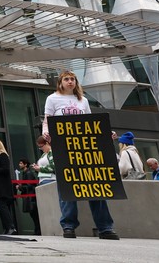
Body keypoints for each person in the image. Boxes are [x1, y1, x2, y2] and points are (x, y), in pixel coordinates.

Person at [42, 70, 120, 240]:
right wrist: (46, 134)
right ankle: (68, 226)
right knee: (67, 185)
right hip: (64, 149)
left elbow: (90, 124)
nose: (70, 81)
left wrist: (105, 133)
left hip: (85, 149)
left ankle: (105, 227)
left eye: (73, 79)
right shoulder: (52, 98)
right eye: (66, 79)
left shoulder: (83, 100)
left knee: (95, 184)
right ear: (61, 82)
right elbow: (47, 120)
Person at [18, 157, 40, 235]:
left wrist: (20, 187)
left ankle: (38, 231)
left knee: (34, 215)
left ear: (25, 164)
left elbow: (29, 185)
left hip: (31, 197)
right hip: (29, 196)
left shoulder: (28, 173)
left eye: (21, 163)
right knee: (33, 215)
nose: (19, 164)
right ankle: (37, 230)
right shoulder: (25, 173)